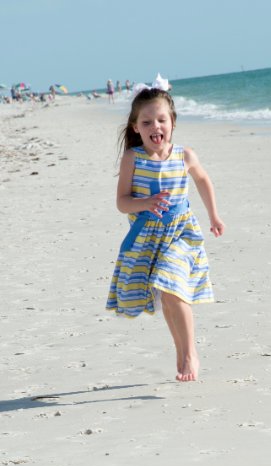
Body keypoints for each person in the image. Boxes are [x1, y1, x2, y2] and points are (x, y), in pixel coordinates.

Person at [107, 86, 225, 381]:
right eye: (146, 122)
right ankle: (181, 348)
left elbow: (203, 179)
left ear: (172, 121)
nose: (155, 127)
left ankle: (190, 354)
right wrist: (144, 203)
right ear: (136, 127)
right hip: (148, 238)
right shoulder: (133, 159)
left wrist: (214, 215)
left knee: (173, 286)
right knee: (167, 297)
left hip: (182, 234)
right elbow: (122, 202)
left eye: (161, 120)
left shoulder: (185, 155)